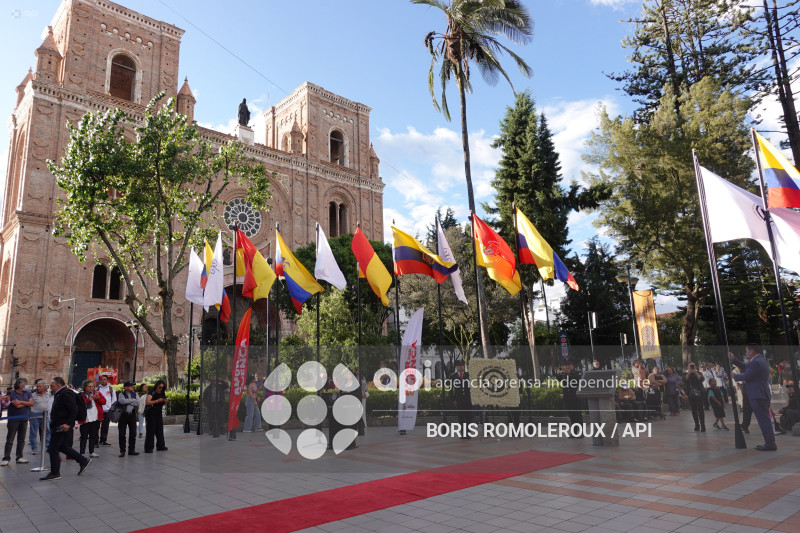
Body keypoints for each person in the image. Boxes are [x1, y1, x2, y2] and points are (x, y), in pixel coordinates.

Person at [41, 377, 90, 481]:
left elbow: (73, 409)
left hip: (62, 425)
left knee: (52, 449)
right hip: (59, 425)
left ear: (58, 385)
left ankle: (55, 473)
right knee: (63, 447)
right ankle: (83, 460)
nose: (50, 388)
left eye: (52, 386)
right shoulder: (60, 393)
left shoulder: (66, 393)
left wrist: (68, 423)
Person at [730, 345, 776, 451]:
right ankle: (770, 442)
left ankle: (770, 443)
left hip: (757, 395)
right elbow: (746, 367)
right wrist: (734, 359)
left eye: (747, 351)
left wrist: (734, 376)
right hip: (761, 394)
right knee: (765, 420)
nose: (746, 353)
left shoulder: (756, 362)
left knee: (763, 421)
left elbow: (746, 376)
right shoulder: (760, 360)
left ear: (752, 351)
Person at [2, 378, 33, 466]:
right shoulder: (12, 393)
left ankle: (19, 457)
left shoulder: (28, 393)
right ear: (21, 385)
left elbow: (32, 403)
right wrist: (26, 403)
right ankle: (6, 458)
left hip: (24, 419)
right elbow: (17, 406)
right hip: (13, 419)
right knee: (10, 439)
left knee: (21, 439)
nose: (27, 386)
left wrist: (21, 402)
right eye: (26, 384)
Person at [77, 379, 105, 458]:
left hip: (95, 418)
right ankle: (82, 452)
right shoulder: (81, 395)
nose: (91, 388)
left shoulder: (97, 393)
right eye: (89, 387)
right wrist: (88, 400)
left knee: (93, 435)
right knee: (84, 436)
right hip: (85, 419)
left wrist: (97, 398)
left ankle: (91, 451)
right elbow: (80, 405)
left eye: (92, 386)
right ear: (85, 387)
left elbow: (104, 402)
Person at [450, 360, 472, 438]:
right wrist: (453, 400)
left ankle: (468, 433)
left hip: (468, 399)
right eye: (459, 366)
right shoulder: (453, 376)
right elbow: (450, 389)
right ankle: (463, 433)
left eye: (462, 365)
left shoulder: (469, 375)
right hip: (459, 400)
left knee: (469, 417)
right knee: (461, 417)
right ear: (457, 367)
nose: (461, 367)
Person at [116, 381, 140, 457]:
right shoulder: (121, 394)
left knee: (133, 433)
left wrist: (128, 402)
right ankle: (122, 451)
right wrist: (133, 400)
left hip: (132, 415)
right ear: (126, 387)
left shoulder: (135, 394)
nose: (133, 387)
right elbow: (122, 401)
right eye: (131, 386)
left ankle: (131, 450)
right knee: (122, 433)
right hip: (123, 415)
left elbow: (138, 403)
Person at [144, 380, 168, 453]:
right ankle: (149, 448)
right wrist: (157, 401)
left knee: (159, 430)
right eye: (159, 387)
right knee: (151, 430)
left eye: (162, 388)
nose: (160, 389)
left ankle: (161, 446)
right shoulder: (152, 393)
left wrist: (164, 401)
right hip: (151, 413)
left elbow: (163, 402)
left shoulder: (162, 393)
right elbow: (147, 402)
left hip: (158, 413)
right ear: (156, 386)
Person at [28, 379, 51, 456]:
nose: (38, 388)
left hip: (45, 416)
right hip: (35, 416)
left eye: (40, 386)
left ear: (44, 387)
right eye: (37, 386)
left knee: (47, 432)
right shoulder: (32, 395)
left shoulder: (49, 394)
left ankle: (48, 446)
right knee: (33, 433)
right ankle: (34, 448)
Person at [559, 360, 583, 431]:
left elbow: (578, 378)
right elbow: (558, 379)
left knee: (578, 415)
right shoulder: (564, 374)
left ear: (573, 366)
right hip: (567, 397)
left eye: (570, 365)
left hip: (575, 397)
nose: (568, 366)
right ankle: (574, 431)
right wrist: (560, 372)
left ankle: (581, 431)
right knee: (571, 415)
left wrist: (570, 373)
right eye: (567, 365)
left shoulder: (576, 373)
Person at [95, 374, 116, 446]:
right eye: (102, 379)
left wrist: (109, 406)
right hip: (98, 410)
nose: (103, 381)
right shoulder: (97, 389)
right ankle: (95, 441)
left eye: (105, 379)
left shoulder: (111, 389)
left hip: (107, 410)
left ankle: (103, 440)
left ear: (107, 380)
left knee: (105, 426)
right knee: (96, 426)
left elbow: (114, 399)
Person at [686, 362, 706, 432]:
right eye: (690, 366)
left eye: (693, 366)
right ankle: (696, 424)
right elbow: (684, 380)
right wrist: (689, 372)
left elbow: (701, 379)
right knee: (693, 410)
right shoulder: (686, 373)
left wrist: (695, 372)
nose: (691, 367)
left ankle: (703, 425)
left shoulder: (699, 373)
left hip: (699, 392)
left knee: (700, 409)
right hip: (691, 393)